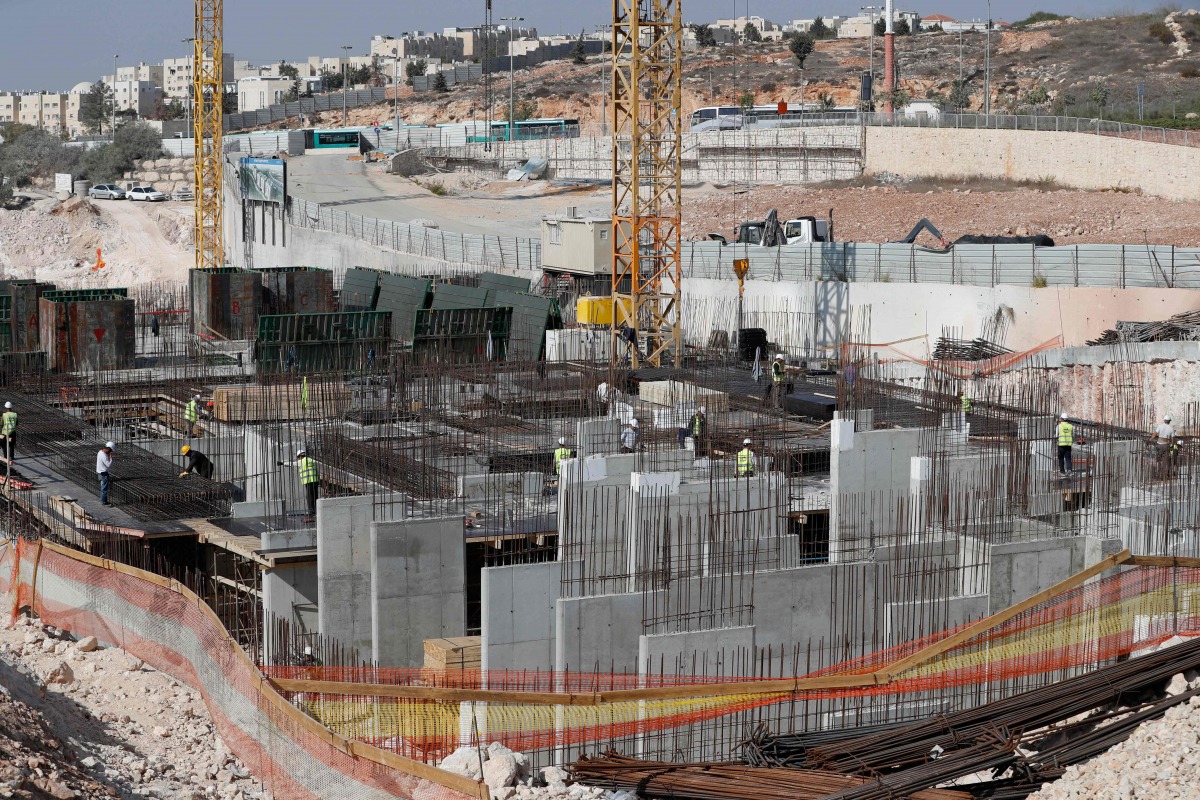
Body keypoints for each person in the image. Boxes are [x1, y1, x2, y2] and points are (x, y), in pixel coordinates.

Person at [279, 448, 321, 520]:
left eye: (298, 457)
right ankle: (317, 509)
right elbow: (317, 470)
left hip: (308, 481)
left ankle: (311, 511)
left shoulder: (301, 462)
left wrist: (282, 463)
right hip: (315, 481)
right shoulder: (312, 460)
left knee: (309, 496)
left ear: (299, 456)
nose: (298, 459)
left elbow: (292, 464)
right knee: (315, 496)